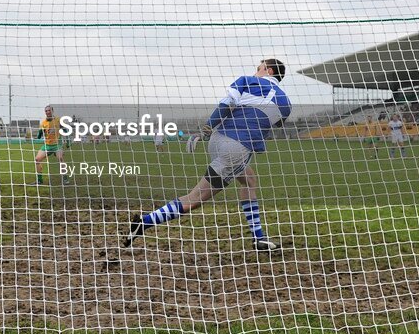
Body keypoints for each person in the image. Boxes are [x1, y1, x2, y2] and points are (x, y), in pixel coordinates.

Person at [122, 58, 292, 252]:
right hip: (236, 150)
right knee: (194, 198)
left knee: (249, 179)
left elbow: (226, 105)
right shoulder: (286, 103)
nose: (255, 72)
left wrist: (205, 131)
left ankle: (258, 238)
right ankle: (143, 223)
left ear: (269, 71)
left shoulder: (246, 81)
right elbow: (275, 124)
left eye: (259, 68)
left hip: (218, 139)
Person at [34, 105, 69, 185]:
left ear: (52, 111)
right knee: (37, 160)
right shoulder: (43, 123)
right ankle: (39, 180)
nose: (47, 112)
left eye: (49, 110)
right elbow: (39, 137)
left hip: (57, 145)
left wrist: (68, 141)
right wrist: (39, 133)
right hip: (47, 145)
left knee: (60, 159)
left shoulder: (58, 120)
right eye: (46, 111)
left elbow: (66, 130)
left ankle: (65, 178)